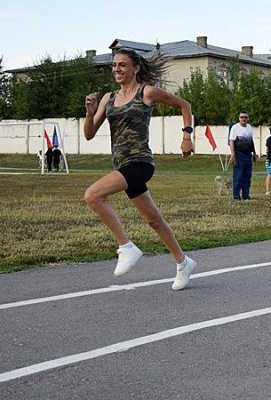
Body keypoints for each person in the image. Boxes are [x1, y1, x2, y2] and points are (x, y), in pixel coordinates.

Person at [83, 48, 197, 290]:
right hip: (122, 165)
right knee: (153, 220)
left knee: (93, 195)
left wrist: (187, 136)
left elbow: (184, 105)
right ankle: (183, 263)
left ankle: (126, 247)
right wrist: (89, 114)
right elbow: (89, 134)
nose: (116, 69)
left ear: (135, 68)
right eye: (114, 65)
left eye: (122, 65)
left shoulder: (146, 92)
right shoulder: (108, 98)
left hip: (141, 162)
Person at [229, 110, 256, 200]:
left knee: (247, 176)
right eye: (242, 117)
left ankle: (246, 195)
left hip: (248, 155)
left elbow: (251, 141)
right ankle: (236, 196)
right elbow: (231, 141)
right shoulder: (235, 128)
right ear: (239, 118)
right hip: (238, 154)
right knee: (238, 176)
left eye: (245, 117)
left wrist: (254, 153)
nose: (243, 119)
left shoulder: (249, 127)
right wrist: (233, 155)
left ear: (247, 118)